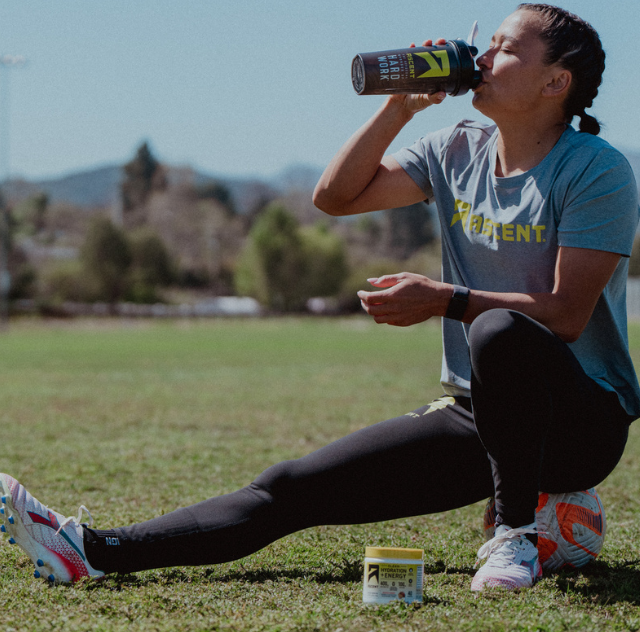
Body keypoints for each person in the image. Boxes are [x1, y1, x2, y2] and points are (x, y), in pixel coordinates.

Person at [1, 3, 638, 592]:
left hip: (583, 419)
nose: (482, 57)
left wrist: (443, 298)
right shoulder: (455, 149)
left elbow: (565, 314)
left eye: (505, 50)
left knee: (497, 330)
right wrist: (399, 109)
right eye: (486, 41)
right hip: (483, 412)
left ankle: (513, 536)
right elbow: (336, 198)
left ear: (556, 82)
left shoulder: (594, 168)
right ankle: (89, 549)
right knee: (291, 487)